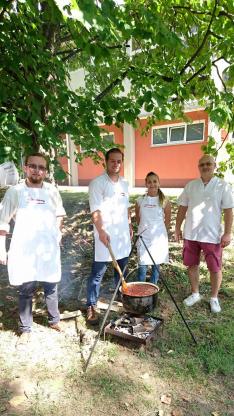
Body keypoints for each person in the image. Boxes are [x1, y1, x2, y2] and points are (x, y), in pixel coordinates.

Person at [0, 153, 66, 342]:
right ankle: (25, 328)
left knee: (51, 285)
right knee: (26, 288)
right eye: (33, 166)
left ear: (45, 171)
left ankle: (54, 320)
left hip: (47, 248)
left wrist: (57, 233)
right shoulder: (15, 191)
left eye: (41, 167)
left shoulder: (52, 190)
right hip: (25, 248)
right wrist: (1, 249)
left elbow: (59, 214)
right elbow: (2, 222)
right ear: (25, 168)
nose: (37, 170)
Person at [175, 155, 233, 313]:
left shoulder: (223, 186)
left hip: (212, 235)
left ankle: (214, 297)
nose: (205, 166)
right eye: (202, 164)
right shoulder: (191, 185)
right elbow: (182, 207)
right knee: (192, 264)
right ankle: (195, 293)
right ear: (198, 167)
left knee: (214, 268)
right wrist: (177, 227)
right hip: (191, 234)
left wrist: (227, 233)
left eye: (209, 164)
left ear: (214, 166)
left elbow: (229, 211)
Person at [87, 148, 132, 323]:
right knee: (97, 273)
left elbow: (126, 207)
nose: (116, 164)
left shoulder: (124, 183)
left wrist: (129, 224)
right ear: (106, 162)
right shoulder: (97, 183)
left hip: (122, 235)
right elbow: (95, 211)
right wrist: (101, 231)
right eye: (112, 161)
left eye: (119, 161)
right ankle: (91, 305)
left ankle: (121, 298)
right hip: (104, 235)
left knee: (120, 271)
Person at [135, 171, 171, 284]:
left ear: (159, 183)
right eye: (149, 182)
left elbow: (167, 221)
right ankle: (140, 291)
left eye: (155, 181)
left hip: (158, 239)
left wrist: (158, 232)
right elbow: (138, 219)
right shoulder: (139, 201)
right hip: (143, 238)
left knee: (156, 268)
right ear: (146, 184)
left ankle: (152, 291)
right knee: (142, 268)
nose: (152, 184)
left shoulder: (165, 201)